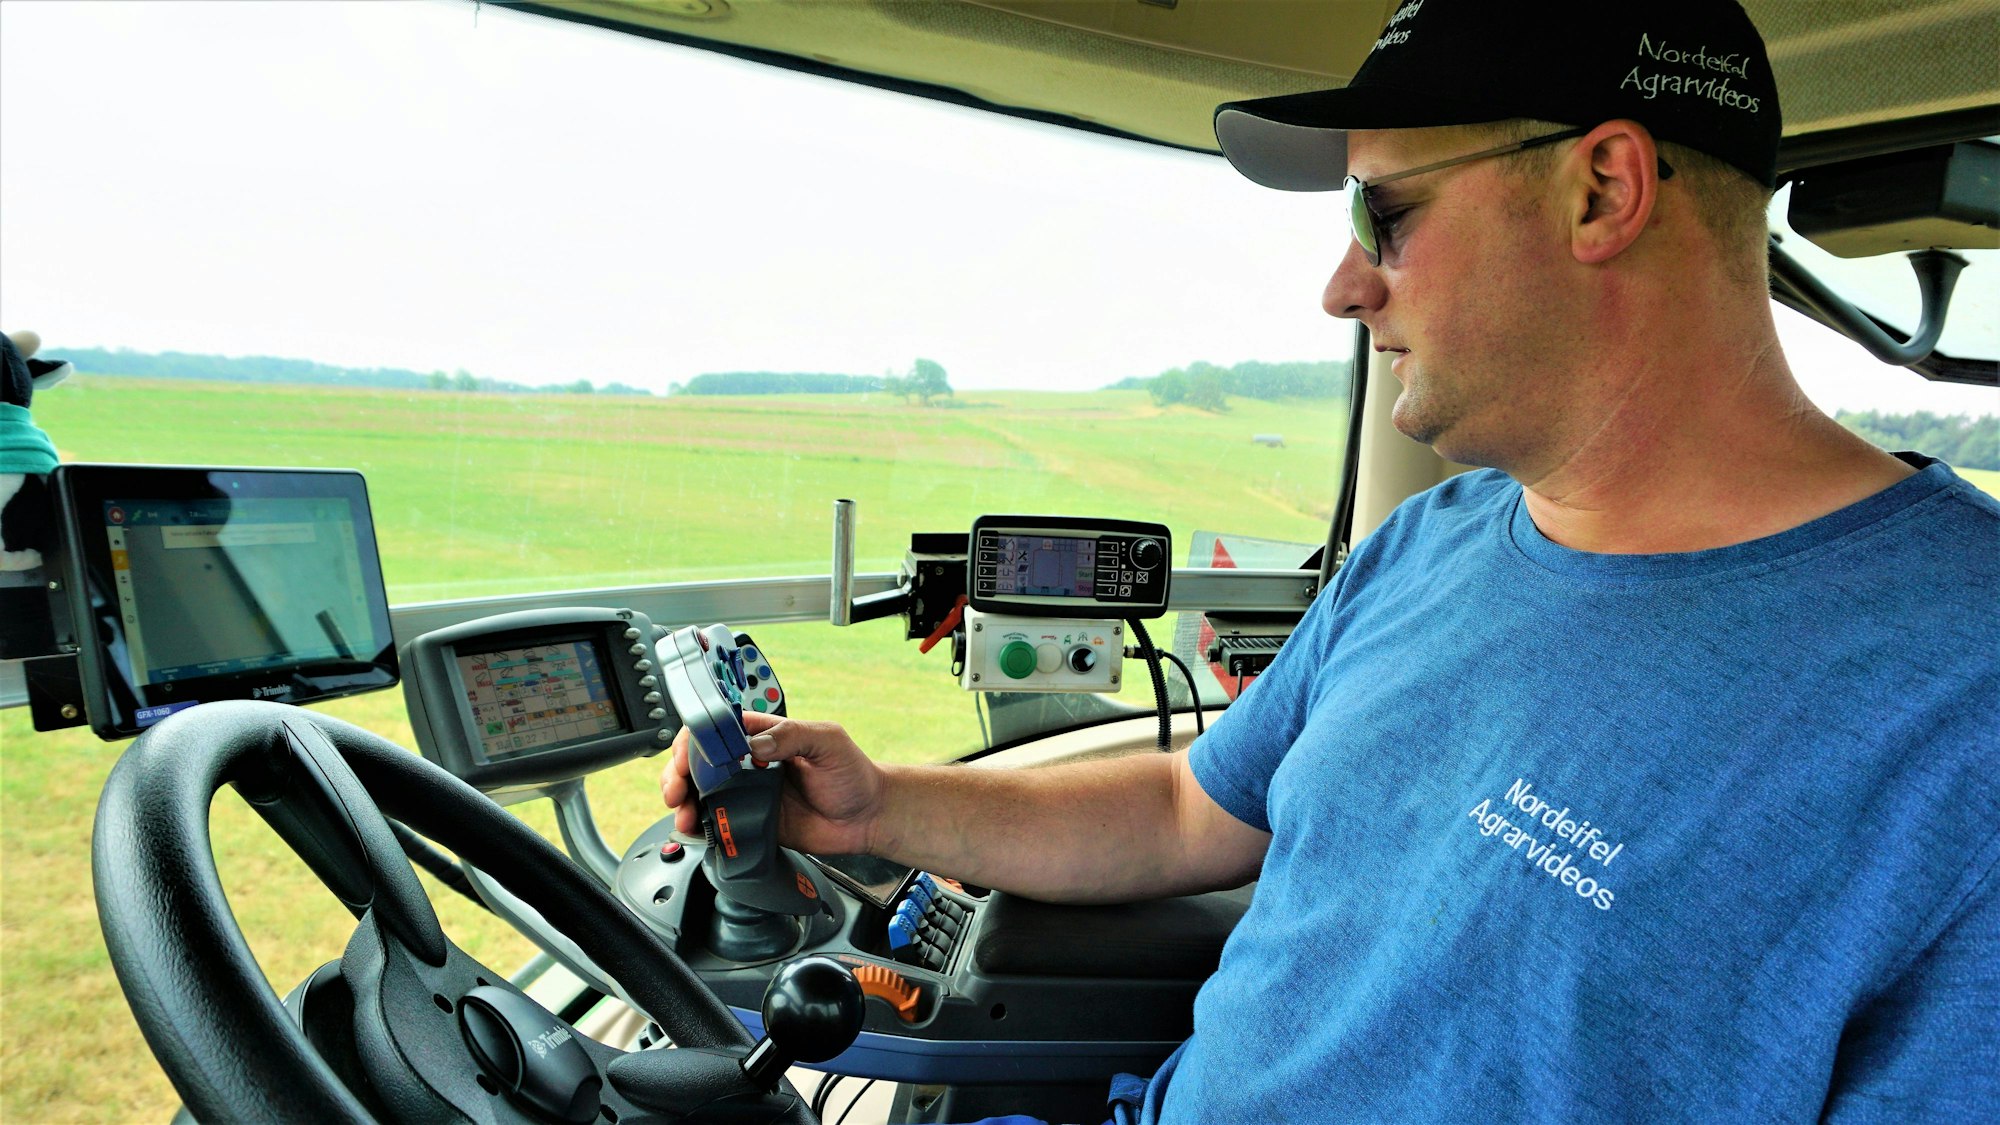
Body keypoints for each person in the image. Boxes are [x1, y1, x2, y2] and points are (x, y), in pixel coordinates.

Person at [664, 1, 2000, 1120]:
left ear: (1602, 190)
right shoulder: (1431, 542)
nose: (1343, 286)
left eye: (1385, 212)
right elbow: (1196, 807)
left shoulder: (1961, 696)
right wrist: (881, 805)